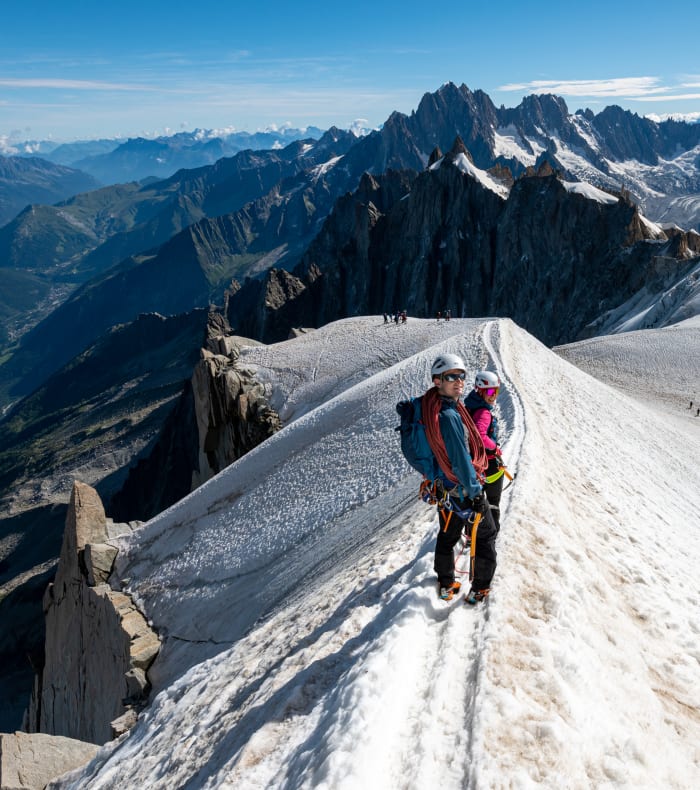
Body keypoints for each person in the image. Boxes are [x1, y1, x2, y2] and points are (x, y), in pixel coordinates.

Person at [422, 353, 498, 604]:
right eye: (451, 377)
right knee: (486, 532)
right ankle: (480, 588)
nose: (459, 381)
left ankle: (446, 581)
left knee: (448, 535)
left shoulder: (434, 407)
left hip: (446, 488)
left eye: (461, 376)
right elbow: (461, 460)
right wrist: (476, 494)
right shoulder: (450, 416)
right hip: (463, 490)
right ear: (437, 381)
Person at [464, 370, 505, 532]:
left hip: (475, 462)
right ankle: (492, 531)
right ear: (479, 390)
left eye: (496, 391)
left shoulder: (470, 407)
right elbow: (481, 436)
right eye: (489, 391)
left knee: (476, 500)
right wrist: (495, 448)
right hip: (489, 463)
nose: (493, 395)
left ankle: (470, 533)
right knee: (493, 500)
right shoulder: (484, 412)